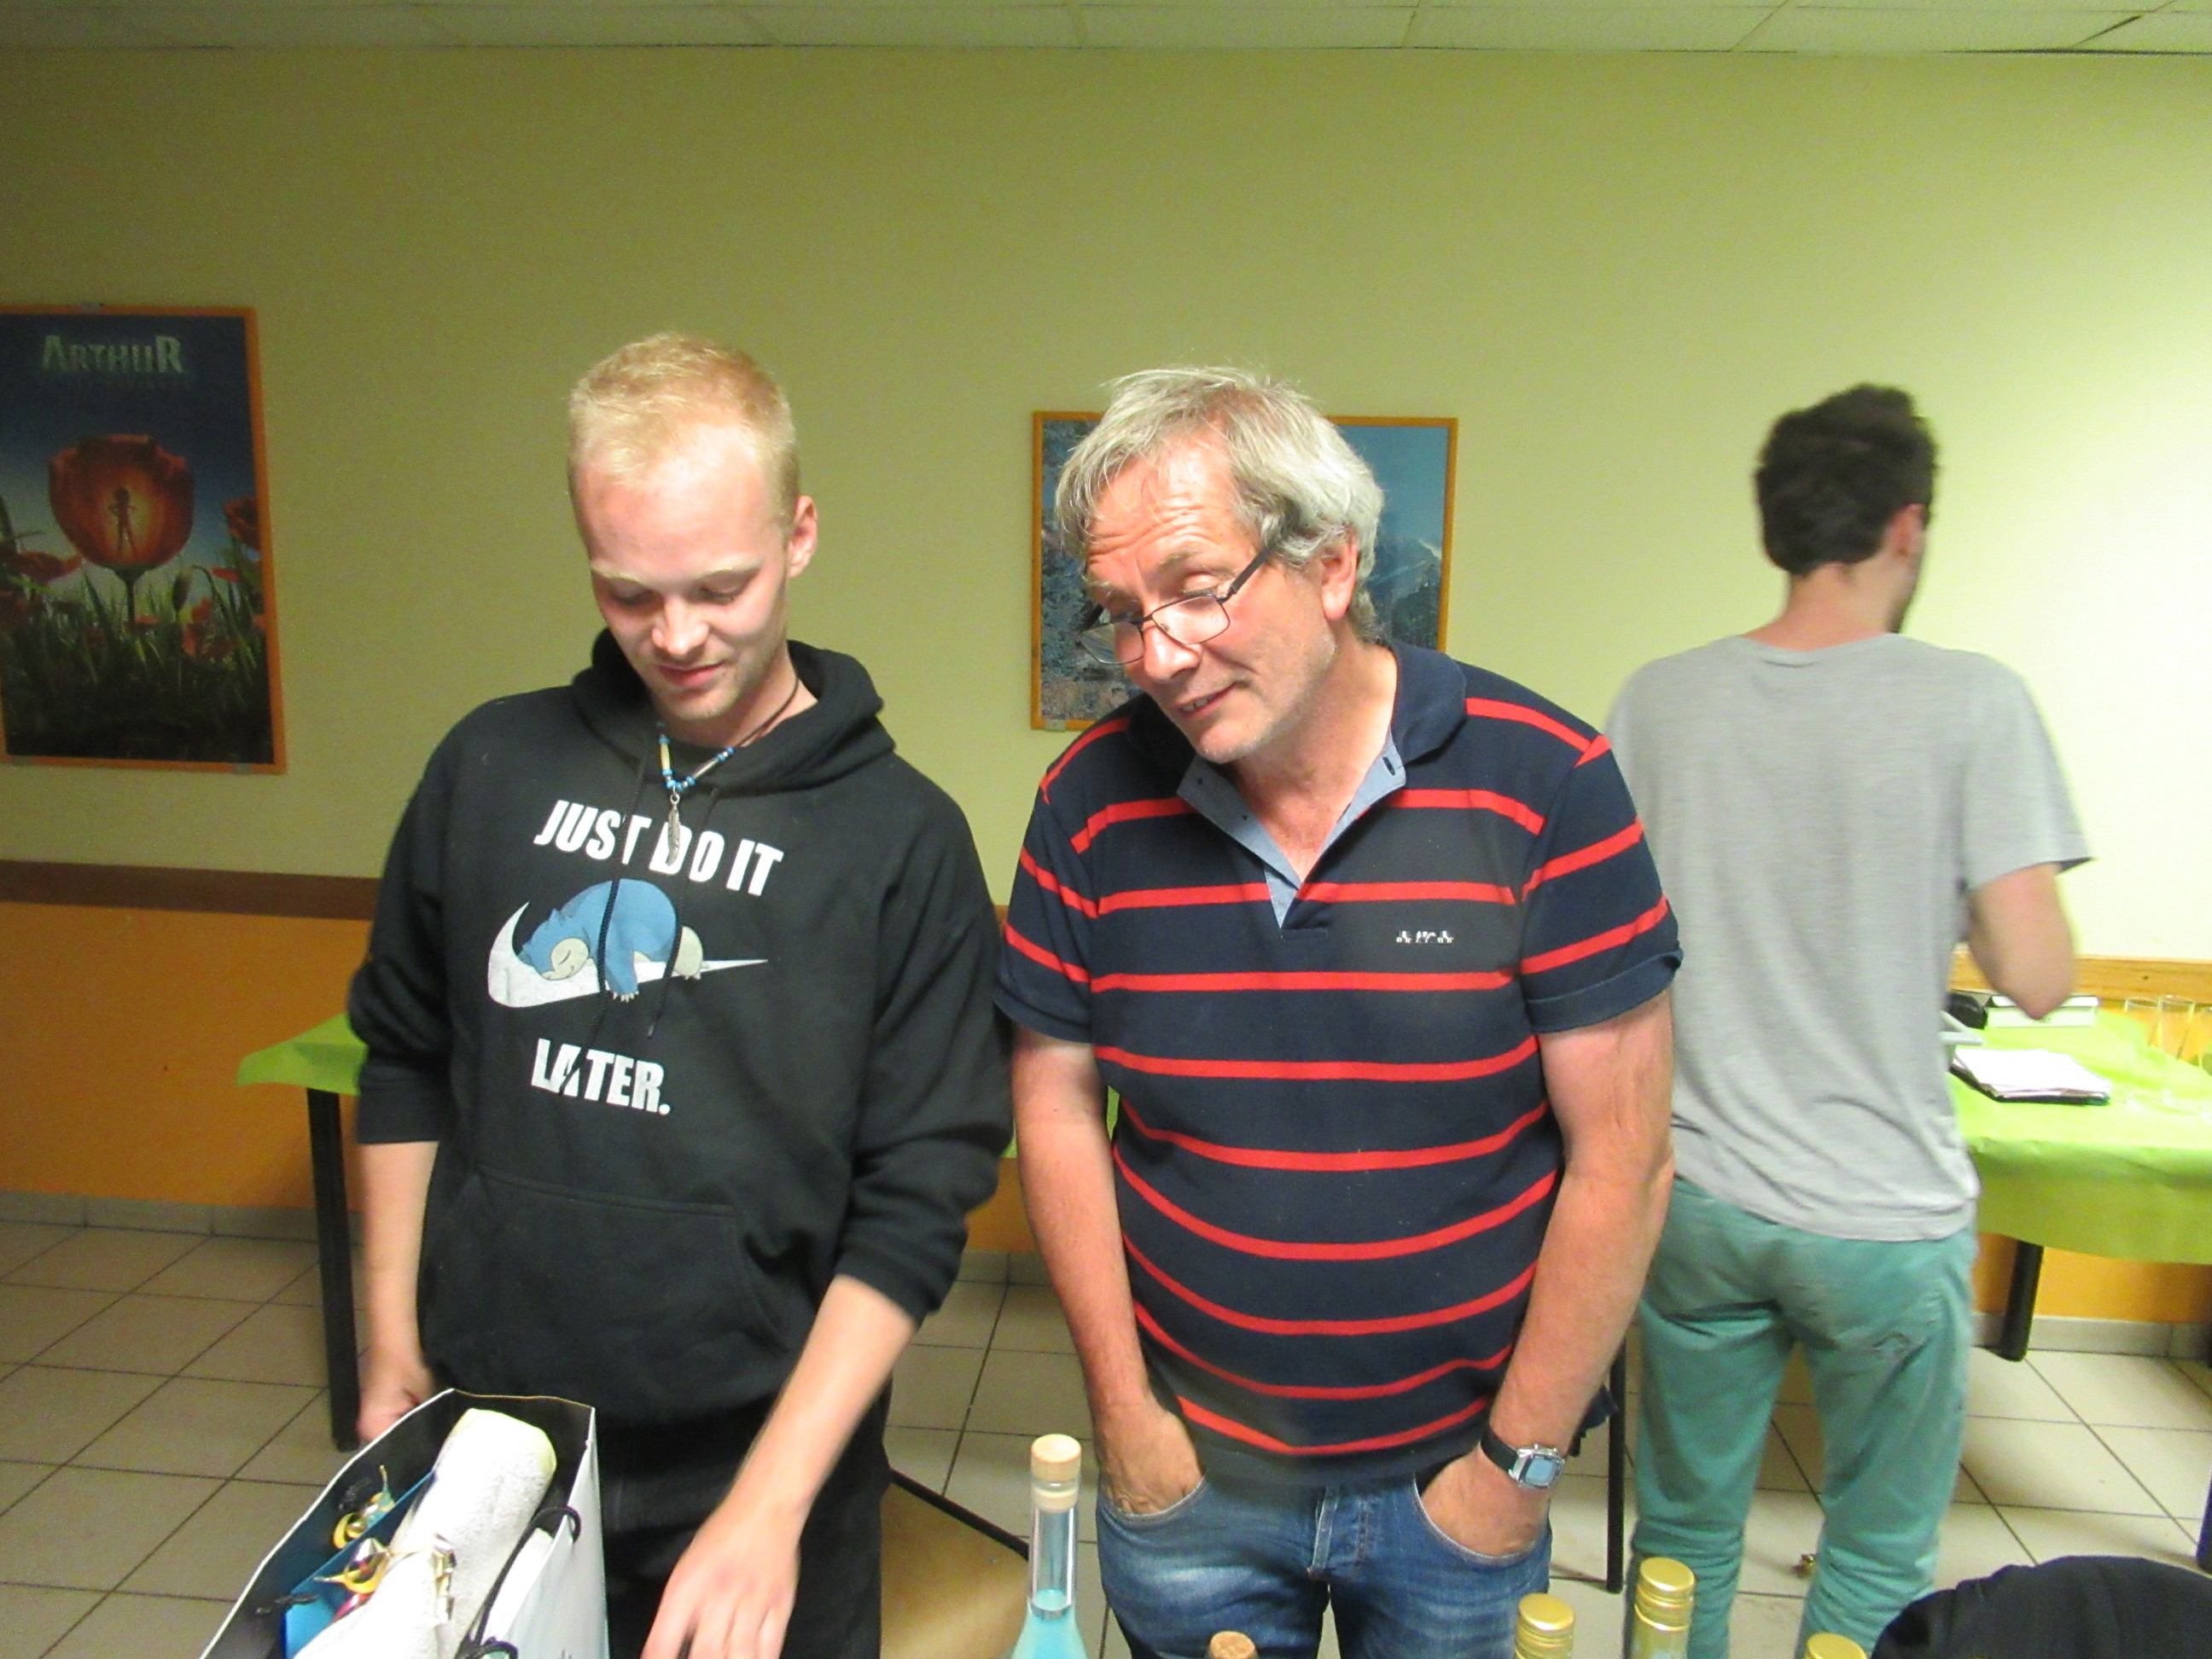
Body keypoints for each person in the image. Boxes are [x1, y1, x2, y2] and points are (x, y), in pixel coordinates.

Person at [998, 367, 1680, 1659]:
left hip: (1452, 1491)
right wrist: (1128, 1422)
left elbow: (1627, 1159)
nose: (1157, 656)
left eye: (1197, 589)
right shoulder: (1087, 804)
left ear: (1332, 563)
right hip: (1190, 1484)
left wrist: (1512, 1474)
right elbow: (1057, 1108)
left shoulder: (1546, 780)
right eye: (1124, 615)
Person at [347, 333, 1010, 1659]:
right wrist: (387, 1355)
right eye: (629, 592)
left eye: (721, 586)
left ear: (799, 534)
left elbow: (917, 1200)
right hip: (499, 1439)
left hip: (761, 1467)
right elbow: (405, 1057)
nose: (680, 636)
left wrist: (770, 1506)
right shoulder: (489, 766)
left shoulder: (901, 839)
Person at [1609, 385, 2087, 1658]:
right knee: (1877, 1552)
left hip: (1698, 1197)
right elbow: (2036, 974)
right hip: (1883, 1214)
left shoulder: (1659, 701)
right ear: (1907, 526)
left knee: (1684, 1533)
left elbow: (1602, 943)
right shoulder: (1975, 701)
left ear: (1776, 523)